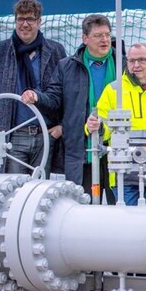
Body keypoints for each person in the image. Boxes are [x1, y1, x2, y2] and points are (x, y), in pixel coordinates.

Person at [22, 14, 125, 204]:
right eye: (98, 35)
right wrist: (37, 97)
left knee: (119, 207)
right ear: (85, 39)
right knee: (81, 208)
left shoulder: (124, 65)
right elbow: (54, 99)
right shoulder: (66, 67)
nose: (104, 40)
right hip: (80, 150)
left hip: (117, 149)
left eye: (107, 35)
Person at [0, 0, 66, 177]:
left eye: (29, 19)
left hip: (46, 135)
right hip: (12, 136)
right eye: (20, 19)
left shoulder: (55, 51)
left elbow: (64, 92)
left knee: (40, 191)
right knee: (14, 189)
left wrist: (62, 127)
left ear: (39, 21)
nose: (24, 24)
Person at [86, 43, 146, 206]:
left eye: (141, 60)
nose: (136, 65)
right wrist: (92, 126)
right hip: (124, 174)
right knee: (127, 225)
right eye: (131, 61)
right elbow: (100, 127)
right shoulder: (113, 90)